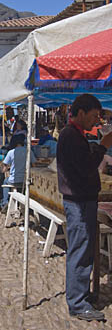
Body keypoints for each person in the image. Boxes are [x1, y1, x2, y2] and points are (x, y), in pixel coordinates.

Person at [57, 94, 112, 322]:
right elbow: (86, 167)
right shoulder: (70, 135)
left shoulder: (75, 135)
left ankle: (80, 296)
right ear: (80, 113)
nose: (95, 121)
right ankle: (78, 303)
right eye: (92, 116)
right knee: (80, 251)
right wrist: (102, 146)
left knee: (83, 249)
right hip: (78, 202)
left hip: (82, 201)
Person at [1, 134, 36, 211]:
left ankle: (5, 202)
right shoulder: (28, 151)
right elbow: (34, 165)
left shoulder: (11, 152)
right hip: (25, 180)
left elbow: (5, 166)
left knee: (5, 181)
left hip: (14, 180)